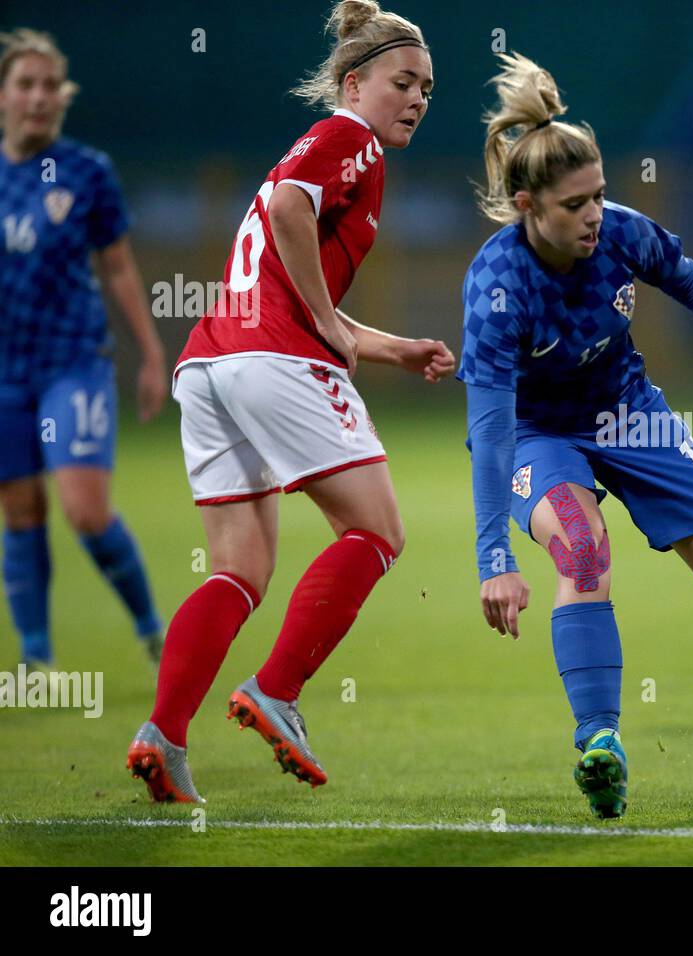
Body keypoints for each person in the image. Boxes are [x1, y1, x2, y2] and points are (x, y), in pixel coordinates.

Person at [461, 52, 693, 819]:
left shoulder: (620, 233)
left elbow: (687, 277)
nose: (594, 214)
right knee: (584, 551)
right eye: (573, 204)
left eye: (598, 195)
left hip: (628, 411)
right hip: (537, 435)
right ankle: (600, 743)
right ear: (526, 204)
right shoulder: (497, 288)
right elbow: (491, 425)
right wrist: (494, 553)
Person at [126, 0, 454, 804]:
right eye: (401, 82)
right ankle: (276, 690)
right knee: (376, 530)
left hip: (211, 362)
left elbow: (285, 254)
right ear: (353, 83)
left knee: (239, 567)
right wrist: (320, 323)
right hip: (272, 357)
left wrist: (387, 346)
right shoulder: (351, 138)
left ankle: (163, 735)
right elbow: (287, 214)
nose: (416, 99)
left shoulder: (325, 151)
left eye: (427, 89)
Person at [0, 29, 166, 668]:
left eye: (50, 86)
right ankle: (36, 658)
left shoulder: (87, 171)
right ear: (5, 96)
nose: (39, 97)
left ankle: (152, 628)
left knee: (85, 510)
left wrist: (150, 353)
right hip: (7, 374)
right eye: (26, 85)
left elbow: (118, 267)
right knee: (20, 508)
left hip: (73, 361)